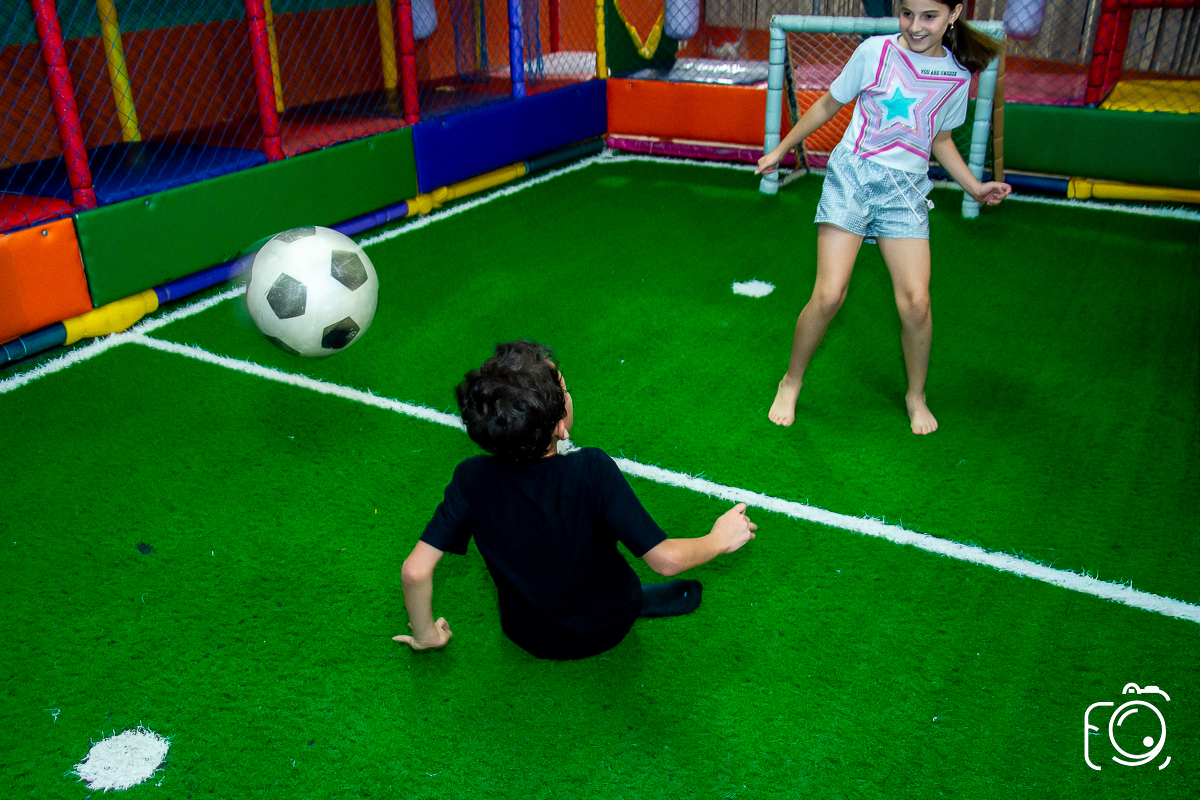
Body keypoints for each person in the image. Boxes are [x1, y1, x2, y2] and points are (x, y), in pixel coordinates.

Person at [393, 340, 757, 659]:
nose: (567, 392)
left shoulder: (471, 479)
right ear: (560, 426)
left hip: (527, 634)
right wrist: (719, 540)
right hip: (609, 626)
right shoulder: (591, 469)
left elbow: (415, 570)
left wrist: (426, 635)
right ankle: (631, 599)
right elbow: (665, 560)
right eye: (564, 389)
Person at [756, 0, 1011, 435]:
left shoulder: (955, 75)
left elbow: (941, 140)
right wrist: (780, 149)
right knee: (829, 294)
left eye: (929, 16)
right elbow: (828, 104)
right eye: (907, 13)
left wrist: (974, 187)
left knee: (916, 303)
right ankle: (791, 381)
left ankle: (916, 395)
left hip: (905, 191)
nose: (915, 26)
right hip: (852, 177)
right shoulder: (875, 51)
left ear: (953, 14)